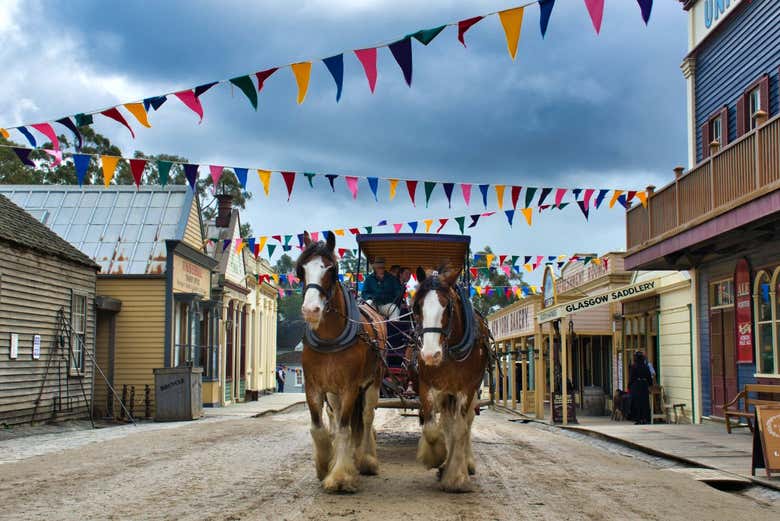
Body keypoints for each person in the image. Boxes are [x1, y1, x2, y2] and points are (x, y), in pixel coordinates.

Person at [628, 351, 652, 424]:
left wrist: (629, 385)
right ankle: (645, 418)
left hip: (636, 385)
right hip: (644, 385)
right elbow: (649, 378)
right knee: (644, 402)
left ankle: (638, 419)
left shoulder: (633, 366)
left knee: (637, 403)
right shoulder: (646, 366)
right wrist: (649, 384)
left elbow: (631, 377)